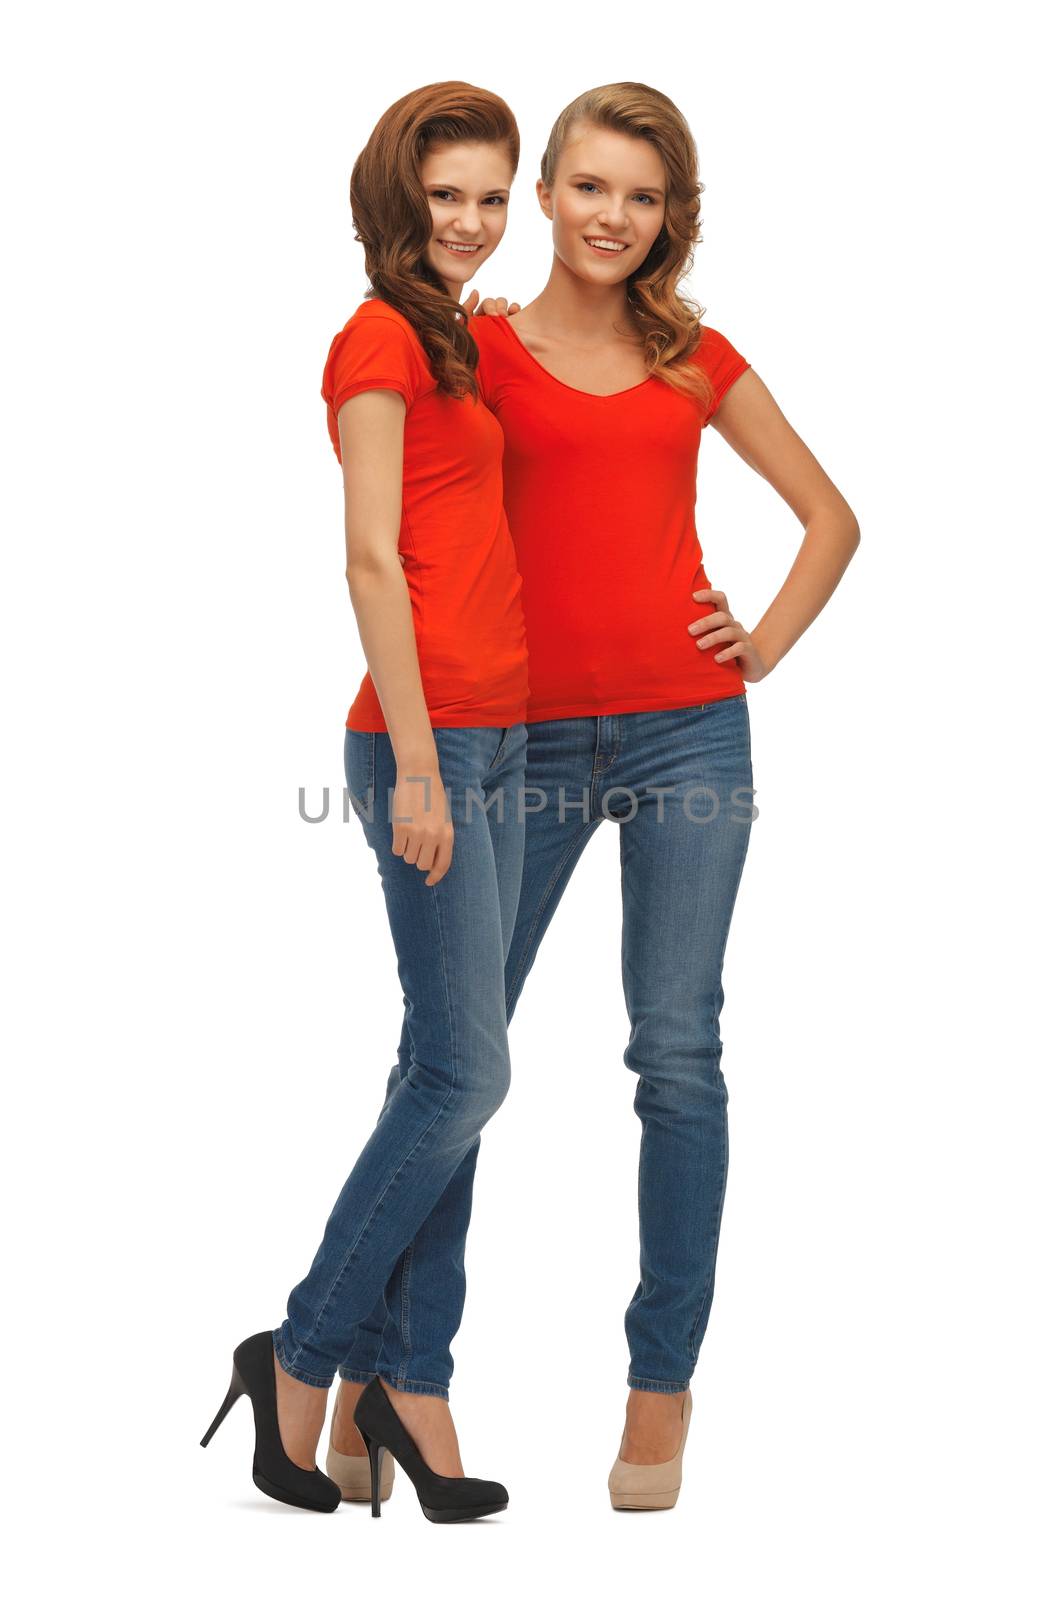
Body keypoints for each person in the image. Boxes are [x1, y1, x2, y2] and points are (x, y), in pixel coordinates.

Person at [331, 81, 861, 1512]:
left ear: (665, 216)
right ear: (545, 194)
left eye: (640, 194)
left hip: (691, 735)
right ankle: (401, 1376)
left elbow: (832, 517)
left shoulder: (693, 354)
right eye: (584, 187)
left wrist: (755, 642)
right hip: (525, 740)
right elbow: (405, 532)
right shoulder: (474, 348)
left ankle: (658, 1385)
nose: (609, 216)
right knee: (458, 1057)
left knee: (676, 1054)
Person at [201, 81, 530, 1523]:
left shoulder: (454, 337)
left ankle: (407, 1378)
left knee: (442, 1070)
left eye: (486, 195)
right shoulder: (376, 340)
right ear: (391, 205)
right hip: (429, 744)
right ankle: (307, 1346)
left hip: (507, 738)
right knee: (468, 1075)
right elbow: (370, 561)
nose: (465, 221)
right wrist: (411, 767)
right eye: (441, 196)